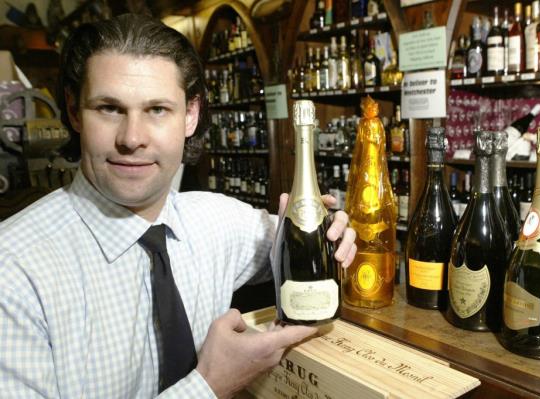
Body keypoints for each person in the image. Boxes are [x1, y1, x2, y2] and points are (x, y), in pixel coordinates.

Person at [0, 13, 357, 399]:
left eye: (157, 110)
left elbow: (298, 235)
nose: (132, 138)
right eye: (109, 108)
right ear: (73, 112)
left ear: (190, 116)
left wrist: (335, 234)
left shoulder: (214, 220)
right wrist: (210, 385)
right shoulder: (14, 272)